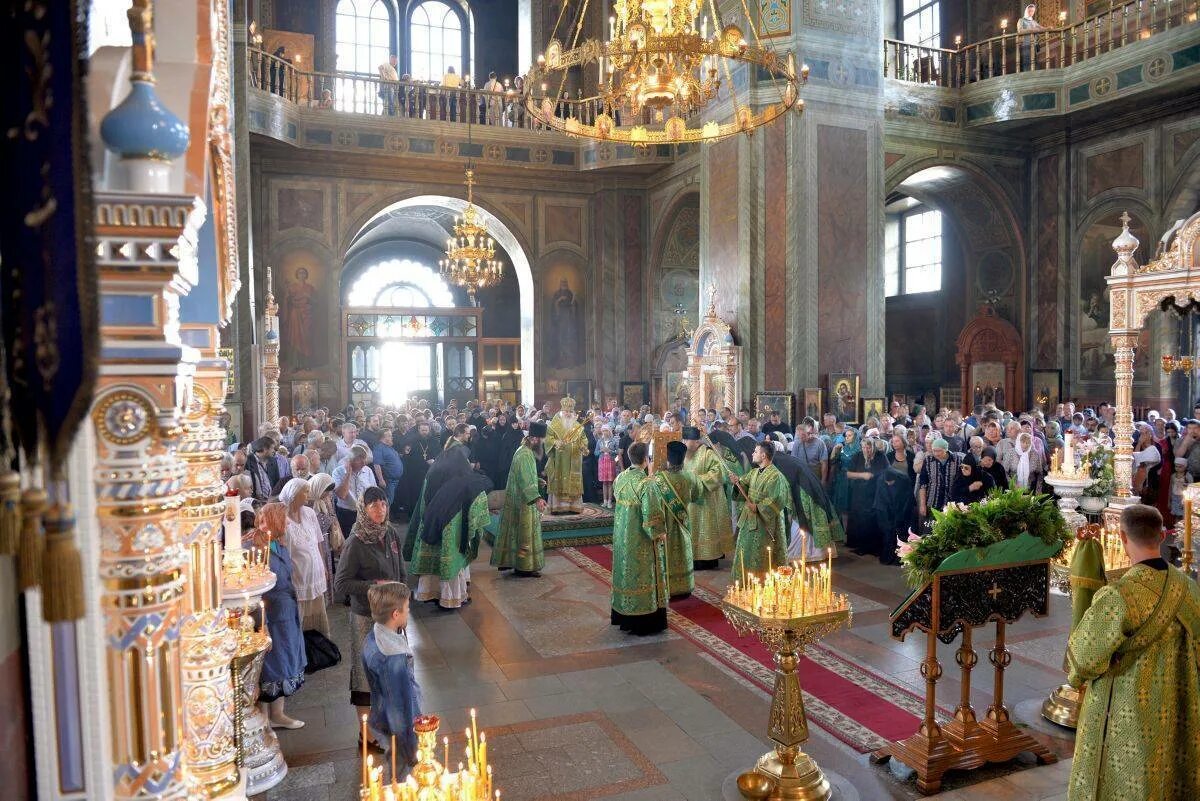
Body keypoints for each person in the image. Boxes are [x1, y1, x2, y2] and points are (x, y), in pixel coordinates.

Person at [1066, 504, 1200, 800]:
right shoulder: (1189, 589)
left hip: (1126, 714)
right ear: (1163, 536)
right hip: (1177, 710)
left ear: (1123, 538)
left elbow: (1084, 658)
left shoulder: (1119, 595)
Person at [333, 486, 407, 732]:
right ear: (363, 509)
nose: (380, 510)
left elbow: (400, 570)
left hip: (392, 617)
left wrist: (403, 604)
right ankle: (366, 733)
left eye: (383, 504)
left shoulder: (391, 533)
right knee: (366, 675)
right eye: (373, 505)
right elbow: (341, 583)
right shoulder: (356, 541)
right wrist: (374, 587)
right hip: (367, 618)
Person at [410, 447, 492, 610]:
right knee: (451, 562)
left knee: (433, 564)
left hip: (430, 524)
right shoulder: (464, 480)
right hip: (452, 527)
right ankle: (449, 598)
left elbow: (422, 504)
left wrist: (426, 521)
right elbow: (475, 508)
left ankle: (429, 593)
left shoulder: (431, 474)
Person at [252, 502, 307, 729]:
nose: (287, 524)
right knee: (271, 666)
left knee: (285, 663)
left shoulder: (278, 544)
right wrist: (261, 625)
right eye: (283, 520)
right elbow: (257, 591)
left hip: (286, 613)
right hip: (271, 615)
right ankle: (264, 717)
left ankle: (278, 714)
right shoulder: (256, 549)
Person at [610, 442, 669, 636]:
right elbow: (651, 515)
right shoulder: (647, 483)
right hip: (641, 540)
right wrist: (660, 533)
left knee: (626, 574)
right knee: (644, 574)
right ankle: (644, 620)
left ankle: (624, 616)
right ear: (646, 459)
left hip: (622, 538)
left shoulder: (620, 478)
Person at [362, 582, 421, 772]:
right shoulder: (393, 658)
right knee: (402, 770)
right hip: (398, 727)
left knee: (394, 760)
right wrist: (411, 748)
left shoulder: (372, 637)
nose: (408, 613)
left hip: (381, 714)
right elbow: (400, 708)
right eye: (407, 609)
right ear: (396, 614)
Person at [491, 421, 548, 576]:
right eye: (542, 440)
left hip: (520, 498)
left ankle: (518, 562)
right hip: (523, 501)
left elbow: (526, 476)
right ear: (535, 439)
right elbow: (524, 479)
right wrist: (537, 498)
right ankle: (524, 566)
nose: (543, 443)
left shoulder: (525, 451)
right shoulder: (524, 454)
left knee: (519, 533)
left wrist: (537, 480)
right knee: (525, 534)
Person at [731, 441, 791, 577]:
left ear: (763, 455)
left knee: (761, 553)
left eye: (755, 451)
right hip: (749, 520)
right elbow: (743, 484)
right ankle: (745, 580)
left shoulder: (776, 476)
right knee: (745, 549)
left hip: (766, 523)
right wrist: (737, 482)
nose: (752, 453)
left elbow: (778, 499)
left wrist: (758, 507)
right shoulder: (754, 472)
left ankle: (761, 581)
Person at [648, 441, 699, 599]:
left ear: (668, 459)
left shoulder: (658, 479)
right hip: (682, 521)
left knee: (668, 552)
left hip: (665, 523)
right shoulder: (690, 476)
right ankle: (685, 586)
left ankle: (667, 587)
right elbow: (696, 496)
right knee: (682, 550)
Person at [280, 478, 331, 636]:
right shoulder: (283, 520)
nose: (308, 495)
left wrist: (323, 566)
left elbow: (318, 542)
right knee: (300, 616)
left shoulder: (309, 513)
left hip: (315, 573)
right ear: (294, 494)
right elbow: (285, 555)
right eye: (305, 491)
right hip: (298, 577)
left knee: (318, 612)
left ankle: (320, 644)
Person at [681, 426, 733, 571]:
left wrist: (696, 480)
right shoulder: (685, 454)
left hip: (707, 502)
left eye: (687, 440)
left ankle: (708, 559)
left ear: (696, 441)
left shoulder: (708, 453)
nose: (684, 443)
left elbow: (719, 473)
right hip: (690, 501)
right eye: (683, 440)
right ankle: (692, 558)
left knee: (706, 529)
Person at [845, 437, 889, 555]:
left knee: (874, 519)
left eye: (868, 447)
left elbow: (887, 472)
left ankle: (875, 547)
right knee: (861, 519)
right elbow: (848, 474)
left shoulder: (881, 456)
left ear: (873, 447)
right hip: (860, 493)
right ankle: (861, 546)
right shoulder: (857, 456)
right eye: (864, 447)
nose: (866, 450)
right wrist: (862, 475)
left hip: (876, 492)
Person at [545, 397, 586, 514]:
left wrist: (583, 446)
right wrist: (555, 442)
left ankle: (573, 507)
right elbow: (548, 439)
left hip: (574, 459)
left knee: (573, 481)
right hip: (559, 459)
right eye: (566, 411)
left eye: (570, 412)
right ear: (562, 411)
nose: (568, 414)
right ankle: (557, 507)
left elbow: (583, 439)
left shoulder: (578, 425)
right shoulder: (554, 424)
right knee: (559, 480)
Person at [873, 466, 915, 565]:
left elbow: (907, 500)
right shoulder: (881, 480)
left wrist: (899, 517)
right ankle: (887, 557)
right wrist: (888, 519)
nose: (888, 484)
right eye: (887, 483)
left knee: (901, 532)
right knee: (887, 531)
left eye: (891, 483)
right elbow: (881, 499)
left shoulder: (904, 480)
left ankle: (900, 558)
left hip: (902, 509)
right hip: (884, 509)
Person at [333, 443, 377, 536]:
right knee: (348, 544)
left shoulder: (367, 470)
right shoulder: (338, 472)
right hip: (346, 515)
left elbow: (373, 492)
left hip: (365, 514)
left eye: (364, 459)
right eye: (359, 460)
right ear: (350, 460)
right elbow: (342, 495)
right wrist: (348, 473)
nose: (364, 463)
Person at [917, 439, 961, 530]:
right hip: (933, 503)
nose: (936, 454)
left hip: (951, 504)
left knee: (949, 531)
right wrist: (922, 505)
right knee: (929, 531)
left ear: (946, 449)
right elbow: (923, 484)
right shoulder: (928, 460)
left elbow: (961, 482)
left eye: (939, 451)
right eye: (934, 451)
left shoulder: (957, 460)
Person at [595, 424, 620, 508]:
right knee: (604, 482)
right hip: (602, 461)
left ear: (609, 431)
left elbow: (617, 451)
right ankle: (604, 500)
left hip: (610, 461)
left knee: (610, 482)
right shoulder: (599, 441)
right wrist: (601, 451)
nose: (604, 432)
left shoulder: (613, 440)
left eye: (606, 430)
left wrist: (610, 451)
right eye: (603, 431)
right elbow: (595, 453)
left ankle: (610, 500)